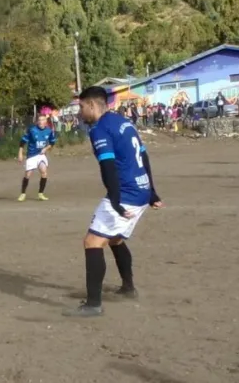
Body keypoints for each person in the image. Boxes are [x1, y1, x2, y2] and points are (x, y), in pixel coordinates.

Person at [64, 86, 163, 318]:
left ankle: (93, 305)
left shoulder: (100, 129)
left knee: (92, 242)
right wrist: (152, 192)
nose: (80, 112)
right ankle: (128, 288)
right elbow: (144, 156)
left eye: (81, 107)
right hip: (141, 189)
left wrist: (116, 202)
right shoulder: (123, 122)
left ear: (91, 104)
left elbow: (108, 167)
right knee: (115, 238)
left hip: (126, 193)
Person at [17, 114, 57, 202]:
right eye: (39, 120)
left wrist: (46, 148)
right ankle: (23, 194)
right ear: (37, 122)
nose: (40, 122)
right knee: (28, 175)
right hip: (32, 155)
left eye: (42, 120)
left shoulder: (49, 131)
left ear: (46, 121)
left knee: (44, 172)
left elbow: (52, 143)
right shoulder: (32, 130)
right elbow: (22, 142)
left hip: (41, 155)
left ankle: (40, 194)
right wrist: (20, 153)